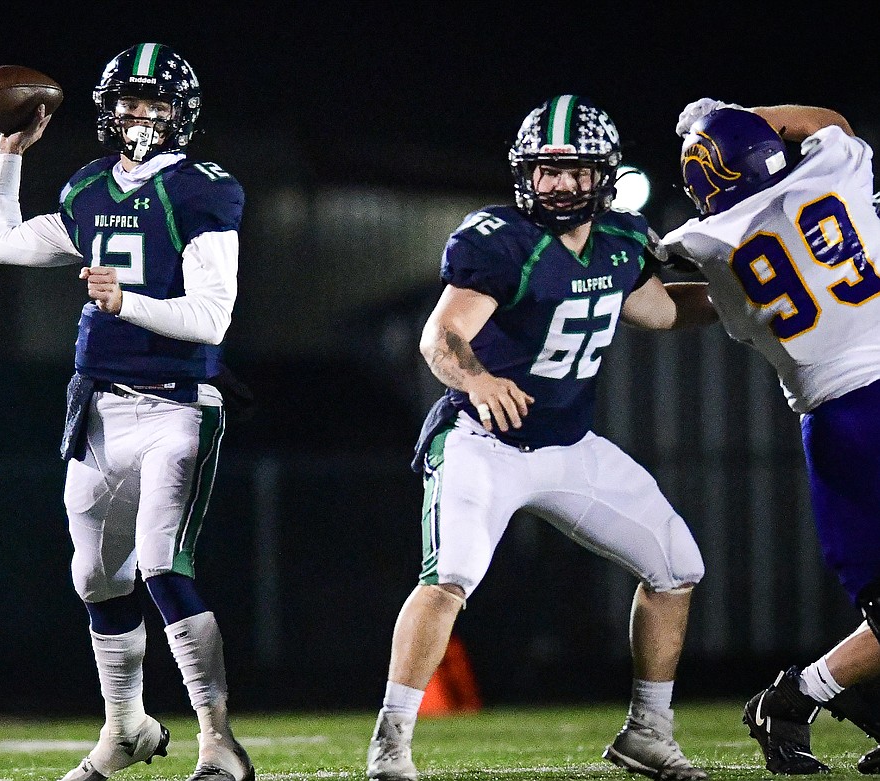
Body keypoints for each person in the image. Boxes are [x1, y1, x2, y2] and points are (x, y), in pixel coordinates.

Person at [364, 94, 719, 781]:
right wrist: (476, 380)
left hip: (568, 445)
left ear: (602, 175)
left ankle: (648, 730)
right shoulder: (501, 240)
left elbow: (665, 309)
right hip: (482, 440)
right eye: (544, 169)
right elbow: (442, 334)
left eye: (571, 170)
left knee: (678, 567)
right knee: (449, 577)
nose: (555, 183)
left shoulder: (619, 241)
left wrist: (750, 294)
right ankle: (392, 739)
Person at [0, 42, 254, 781]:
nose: (138, 116)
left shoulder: (201, 191)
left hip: (176, 407)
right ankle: (125, 727)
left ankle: (218, 740)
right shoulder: (91, 187)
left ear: (180, 115)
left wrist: (122, 300)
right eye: (128, 103)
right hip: (99, 406)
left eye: (153, 104)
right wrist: (9, 154)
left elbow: (211, 318)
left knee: (162, 562)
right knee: (96, 576)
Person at [663, 98, 880, 775]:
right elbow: (828, 122)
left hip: (830, 424)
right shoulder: (833, 173)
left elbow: (693, 306)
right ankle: (796, 696)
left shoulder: (712, 246)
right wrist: (737, 114)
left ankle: (800, 698)